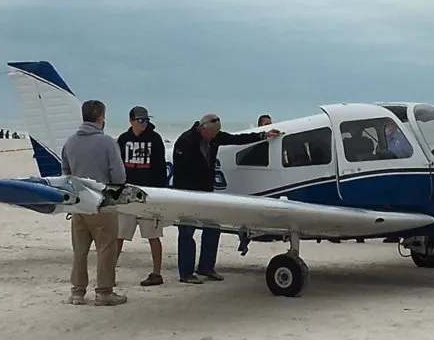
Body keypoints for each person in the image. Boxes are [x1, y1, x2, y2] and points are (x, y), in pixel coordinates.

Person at [172, 113, 281, 284]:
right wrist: (188, 195)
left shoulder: (214, 136)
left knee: (213, 228)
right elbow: (180, 173)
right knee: (187, 232)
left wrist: (263, 135)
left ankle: (206, 267)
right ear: (202, 129)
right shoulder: (185, 142)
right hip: (188, 193)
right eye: (212, 134)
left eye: (216, 134)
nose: (214, 137)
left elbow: (237, 139)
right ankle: (186, 273)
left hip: (206, 192)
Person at [61, 99, 128, 306]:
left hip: (79, 203)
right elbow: (118, 176)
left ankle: (77, 292)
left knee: (80, 250)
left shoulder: (70, 142)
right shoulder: (107, 142)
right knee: (106, 248)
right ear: (100, 117)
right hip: (102, 203)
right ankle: (104, 292)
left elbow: (66, 174)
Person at [116, 106, 167, 287]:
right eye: (140, 120)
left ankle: (156, 273)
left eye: (146, 120)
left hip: (149, 195)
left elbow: (161, 167)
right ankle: (109, 272)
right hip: (127, 193)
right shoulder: (123, 139)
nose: (143, 123)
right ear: (131, 121)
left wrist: (160, 192)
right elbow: (117, 165)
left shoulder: (155, 139)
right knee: (119, 235)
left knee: (153, 235)